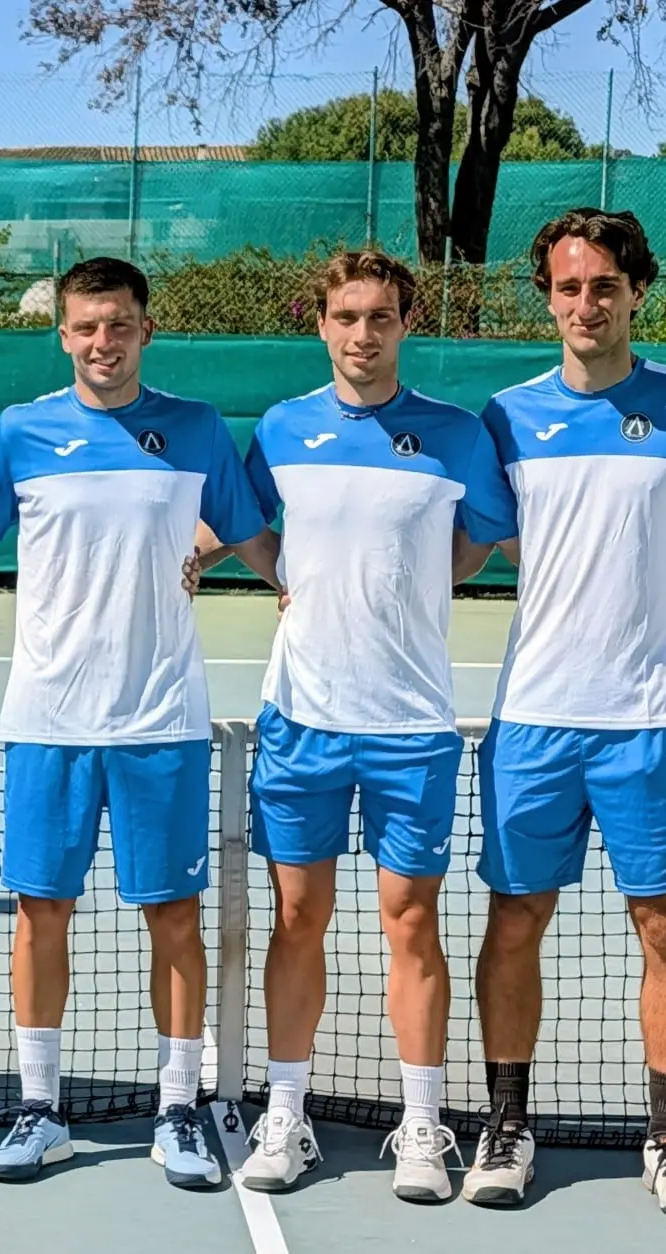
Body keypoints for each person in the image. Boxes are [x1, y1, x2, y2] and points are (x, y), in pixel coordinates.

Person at [0, 256, 275, 1188]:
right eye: (86, 327)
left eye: (119, 325)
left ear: (144, 330)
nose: (103, 342)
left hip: (161, 722)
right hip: (47, 723)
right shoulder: (19, 433)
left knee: (171, 918)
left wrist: (304, 586)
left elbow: (254, 537)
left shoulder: (195, 430)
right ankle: (40, 1107)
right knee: (37, 914)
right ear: (63, 334)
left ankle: (176, 1106)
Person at [216, 251, 516, 1201]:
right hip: (300, 721)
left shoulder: (457, 436)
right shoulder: (279, 427)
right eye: (345, 316)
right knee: (295, 921)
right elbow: (245, 523)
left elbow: (476, 546)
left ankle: (423, 1127)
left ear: (403, 322)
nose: (361, 334)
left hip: (411, 729)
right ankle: (288, 1115)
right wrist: (282, 580)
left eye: (380, 316)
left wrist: (412, 593)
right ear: (320, 323)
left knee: (411, 924)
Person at [464, 208, 666, 1210]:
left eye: (604, 286)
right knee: (515, 924)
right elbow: (449, 545)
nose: (585, 304)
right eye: (568, 287)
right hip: (534, 720)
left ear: (638, 290)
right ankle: (505, 1127)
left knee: (662, 929)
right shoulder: (505, 418)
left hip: (652, 723)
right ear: (547, 297)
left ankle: (664, 1137)